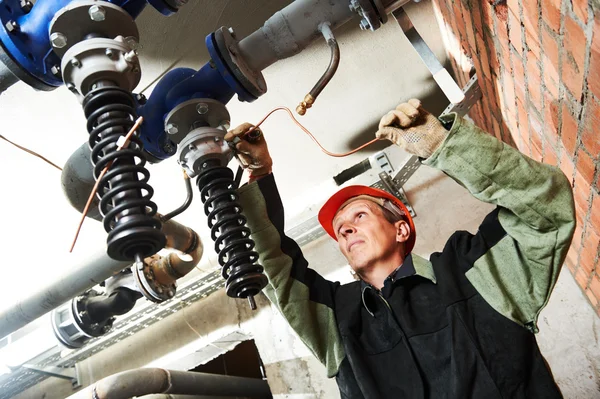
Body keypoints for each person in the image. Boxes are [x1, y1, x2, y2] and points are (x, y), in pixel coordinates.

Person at [225, 99, 575, 399]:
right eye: (340, 230)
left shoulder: (472, 271)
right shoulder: (336, 319)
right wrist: (259, 174)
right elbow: (274, 271)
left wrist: (443, 145)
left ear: (401, 228)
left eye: (359, 215)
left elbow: (547, 209)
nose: (345, 228)